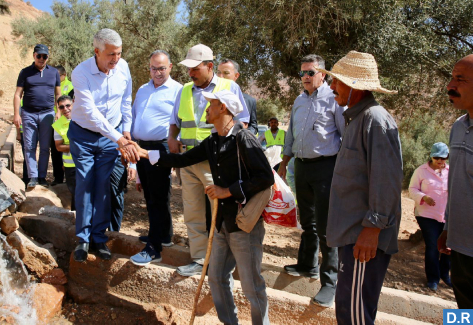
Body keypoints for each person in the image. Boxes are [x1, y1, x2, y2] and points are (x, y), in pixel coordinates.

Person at [124, 90, 273, 325]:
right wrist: (145, 153)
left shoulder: (243, 138)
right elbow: (182, 159)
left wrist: (228, 191)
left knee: (252, 286)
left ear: (222, 108)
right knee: (216, 278)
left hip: (245, 224)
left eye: (210, 105)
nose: (206, 110)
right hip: (222, 223)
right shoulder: (213, 141)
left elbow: (265, 178)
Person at [320, 51, 402, 325]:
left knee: (355, 315)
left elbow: (386, 181)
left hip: (363, 238)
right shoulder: (356, 119)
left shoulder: (375, 120)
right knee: (348, 310)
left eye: (337, 82)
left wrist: (372, 229)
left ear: (354, 86)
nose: (332, 87)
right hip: (353, 235)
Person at [168, 44, 250, 277]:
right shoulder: (184, 90)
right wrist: (172, 138)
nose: (191, 73)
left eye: (195, 68)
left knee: (220, 212)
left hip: (218, 162)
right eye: (189, 69)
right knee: (193, 213)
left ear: (210, 66)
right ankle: (199, 260)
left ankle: (224, 263)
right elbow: (175, 121)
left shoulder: (229, 86)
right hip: (189, 160)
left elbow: (242, 121)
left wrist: (228, 150)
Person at [277, 54, 345, 307]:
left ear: (322, 74)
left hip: (326, 168)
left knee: (327, 227)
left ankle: (330, 283)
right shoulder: (298, 101)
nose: (305, 77)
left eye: (310, 72)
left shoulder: (334, 99)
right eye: (302, 73)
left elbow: (344, 135)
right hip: (301, 167)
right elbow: (291, 134)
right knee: (307, 220)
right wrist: (284, 163)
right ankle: (308, 265)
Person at [67, 29, 137, 263]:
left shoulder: (123, 67)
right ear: (96, 51)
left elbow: (126, 100)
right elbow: (91, 112)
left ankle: (99, 236)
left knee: (103, 184)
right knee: (85, 182)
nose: (115, 59)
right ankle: (83, 239)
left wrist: (126, 129)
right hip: (84, 135)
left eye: (118, 53)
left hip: (113, 134)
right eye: (110, 55)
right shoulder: (81, 73)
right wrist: (118, 138)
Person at [128, 50, 183, 266]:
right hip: (140, 147)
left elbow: (179, 123)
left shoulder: (178, 90)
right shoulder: (143, 89)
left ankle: (154, 249)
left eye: (161, 68)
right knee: (151, 195)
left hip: (160, 148)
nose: (157, 72)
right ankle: (163, 236)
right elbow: (133, 117)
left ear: (170, 67)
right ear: (149, 68)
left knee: (158, 198)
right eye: (153, 68)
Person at [438, 54, 473, 309]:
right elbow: (456, 182)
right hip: (459, 246)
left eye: (460, 79)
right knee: (464, 312)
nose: (450, 85)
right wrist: (448, 228)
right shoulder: (458, 127)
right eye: (451, 77)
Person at [13, 44, 61, 190]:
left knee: (45, 147)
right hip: (28, 113)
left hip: (47, 114)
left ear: (48, 57)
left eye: (44, 56)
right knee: (29, 146)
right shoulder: (25, 72)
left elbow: (58, 94)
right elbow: (17, 95)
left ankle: (42, 177)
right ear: (34, 55)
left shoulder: (53, 72)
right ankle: (32, 177)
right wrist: (16, 114)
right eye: (39, 56)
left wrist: (58, 111)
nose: (41, 59)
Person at [408, 142, 451, 291]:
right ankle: (433, 278)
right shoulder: (421, 171)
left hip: (446, 216)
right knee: (432, 245)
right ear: (431, 156)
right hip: (426, 215)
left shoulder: (451, 171)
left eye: (443, 158)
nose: (440, 160)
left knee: (447, 246)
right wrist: (423, 197)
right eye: (436, 157)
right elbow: (412, 189)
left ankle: (445, 275)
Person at [217, 59, 258, 134]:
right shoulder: (209, 96)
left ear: (236, 76)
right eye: (218, 72)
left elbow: (253, 126)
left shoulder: (249, 101)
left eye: (226, 73)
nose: (220, 77)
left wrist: (244, 138)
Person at [50, 66, 74, 186]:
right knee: (55, 150)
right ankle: (58, 177)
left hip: (67, 119)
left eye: (58, 76)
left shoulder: (70, 86)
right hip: (57, 121)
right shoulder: (52, 85)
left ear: (64, 75)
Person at [51, 95, 76, 210]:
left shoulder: (84, 118)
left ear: (73, 104)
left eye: (68, 105)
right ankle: (77, 220)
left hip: (88, 161)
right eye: (62, 107)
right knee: (76, 193)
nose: (65, 109)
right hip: (71, 165)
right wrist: (77, 147)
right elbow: (59, 147)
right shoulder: (58, 125)